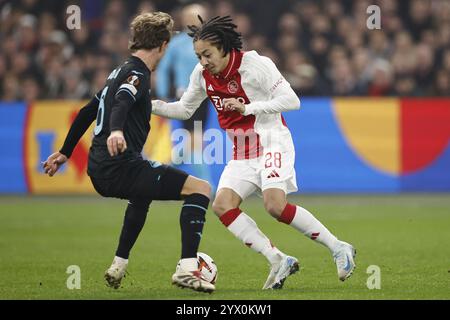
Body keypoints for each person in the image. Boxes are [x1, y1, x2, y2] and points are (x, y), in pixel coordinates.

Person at [152, 16, 356, 290]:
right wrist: (149, 105)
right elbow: (185, 109)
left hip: (272, 141)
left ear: (223, 47)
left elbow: (291, 101)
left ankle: (338, 247)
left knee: (274, 206)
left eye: (207, 54)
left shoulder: (255, 65)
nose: (203, 61)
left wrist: (248, 108)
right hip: (242, 153)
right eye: (198, 55)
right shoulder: (202, 75)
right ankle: (278, 259)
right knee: (222, 205)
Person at [42, 12, 215, 293]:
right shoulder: (137, 74)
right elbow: (122, 102)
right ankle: (187, 268)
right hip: (121, 167)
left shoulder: (117, 72)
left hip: (99, 170)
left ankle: (118, 265)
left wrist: (65, 151)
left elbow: (87, 111)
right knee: (201, 189)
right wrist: (117, 131)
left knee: (142, 195)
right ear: (161, 45)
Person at [156, 3, 211, 183]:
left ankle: (162, 172)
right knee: (196, 139)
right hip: (186, 96)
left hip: (205, 95)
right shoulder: (178, 43)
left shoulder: (210, 42)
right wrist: (163, 93)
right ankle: (207, 186)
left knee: (191, 140)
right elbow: (163, 69)